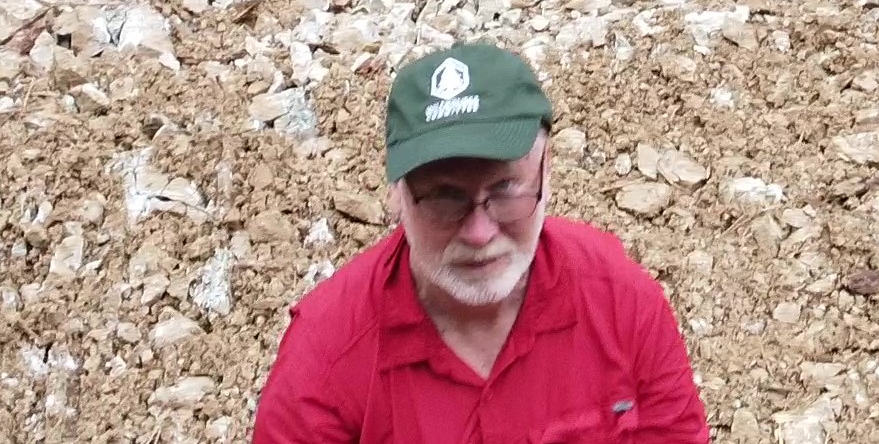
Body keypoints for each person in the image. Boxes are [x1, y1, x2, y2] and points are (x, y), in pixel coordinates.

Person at [252, 41, 710, 442]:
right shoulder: (328, 354)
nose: (478, 233)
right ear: (397, 195)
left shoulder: (622, 303)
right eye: (444, 198)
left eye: (506, 191)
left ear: (547, 173)